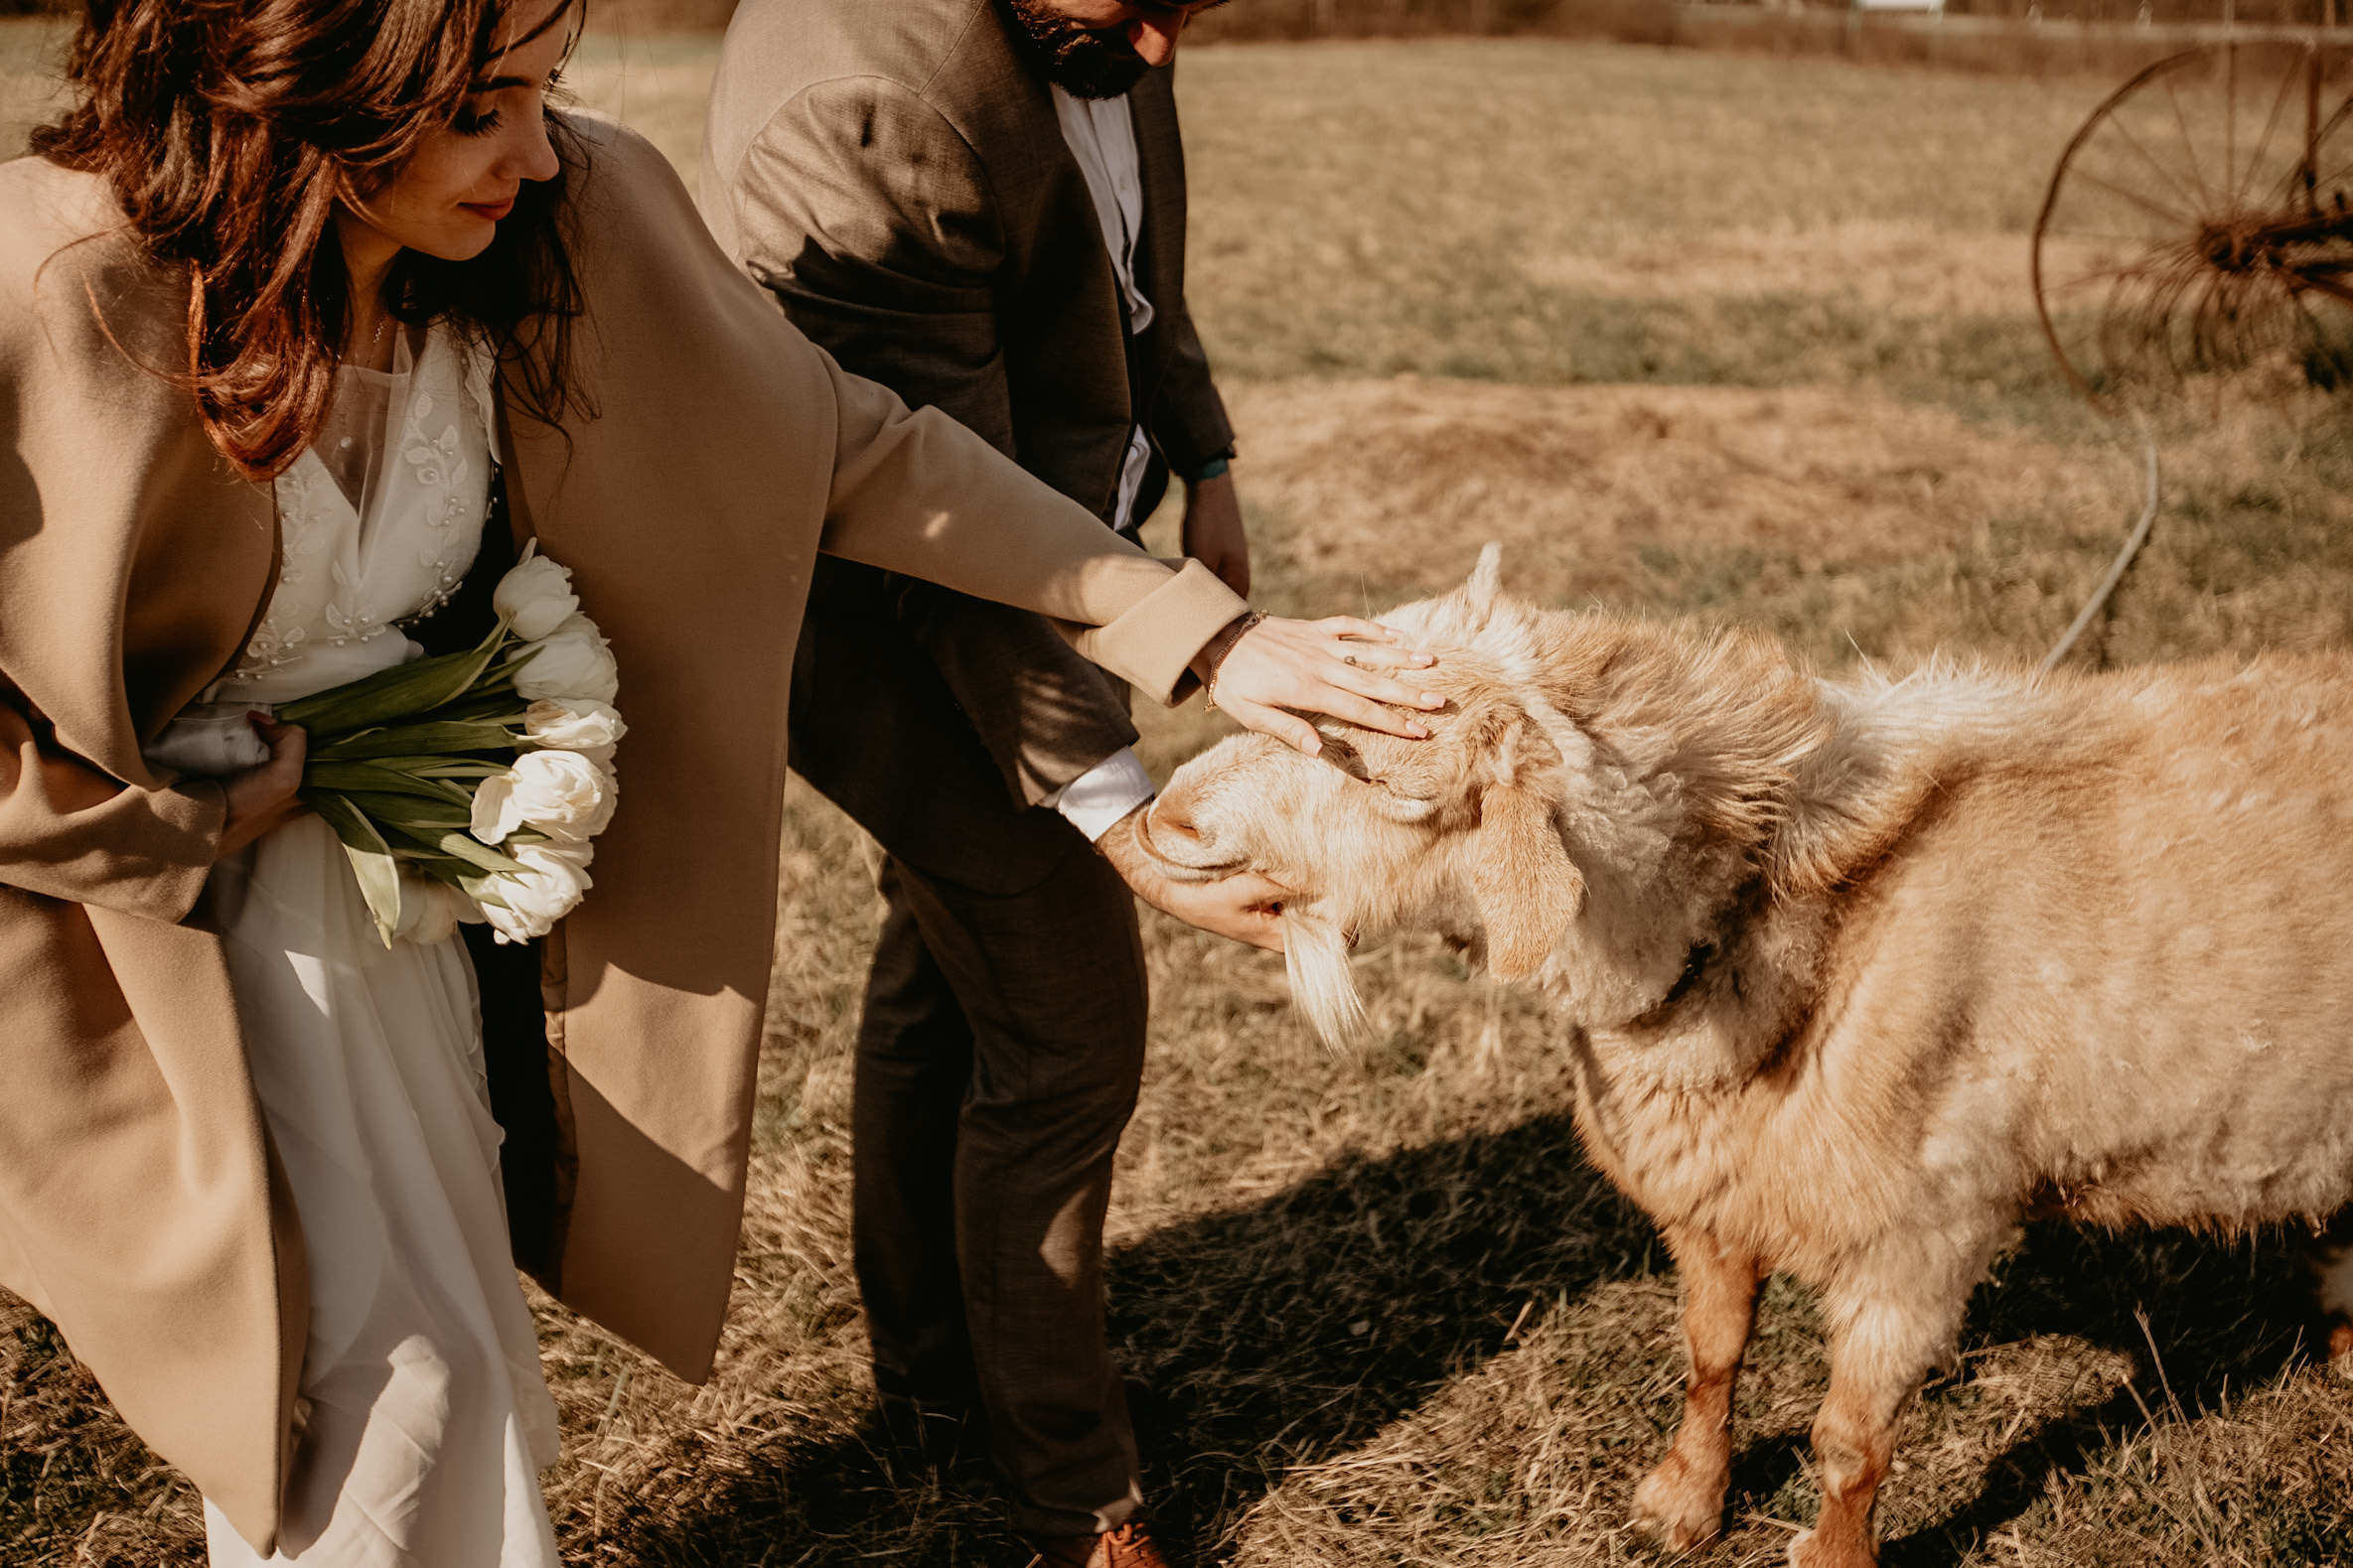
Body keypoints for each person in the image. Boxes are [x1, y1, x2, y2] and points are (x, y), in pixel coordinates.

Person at [0, 0, 1443, 1562]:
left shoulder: (571, 217)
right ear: (309, 84)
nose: (538, 152)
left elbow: (854, 447)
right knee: (381, 1387)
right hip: (167, 952)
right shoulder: (52, 288)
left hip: (408, 930)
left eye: (546, 90)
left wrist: (1206, 637)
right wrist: (170, 818)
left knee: (448, 1374)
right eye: (481, 108)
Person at [702, 4, 1256, 1561]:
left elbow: (1129, 274)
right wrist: (1110, 800)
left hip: (1057, 565)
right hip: (881, 620)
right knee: (1070, 1023)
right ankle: (1074, 1496)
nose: (1159, 48)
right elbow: (931, 520)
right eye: (1137, 4)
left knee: (948, 969)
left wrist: (1205, 460)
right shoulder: (867, 100)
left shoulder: (1099, 28)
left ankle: (939, 1384)